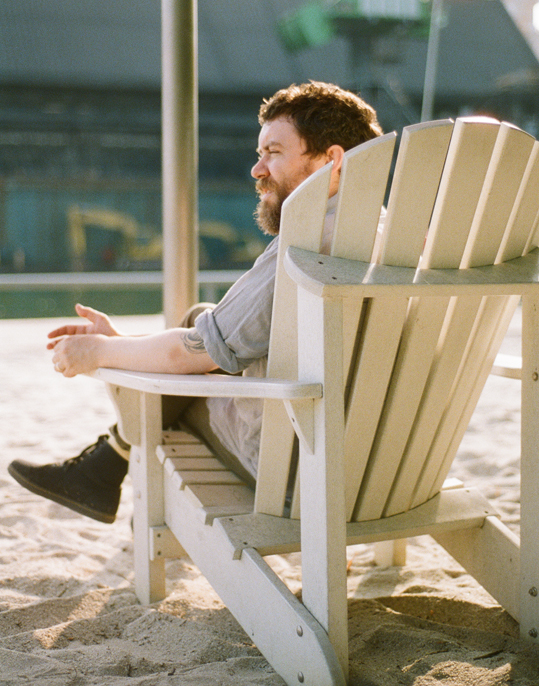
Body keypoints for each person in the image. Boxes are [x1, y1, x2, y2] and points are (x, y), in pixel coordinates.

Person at [8, 81, 383, 523]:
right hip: (383, 467)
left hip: (298, 475)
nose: (257, 169)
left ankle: (102, 471)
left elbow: (188, 355)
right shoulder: (394, 237)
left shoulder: (306, 246)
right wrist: (125, 342)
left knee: (179, 365)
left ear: (331, 159)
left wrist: (101, 351)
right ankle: (102, 468)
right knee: (199, 318)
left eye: (273, 152)